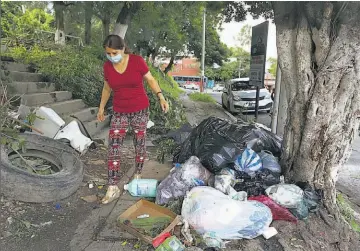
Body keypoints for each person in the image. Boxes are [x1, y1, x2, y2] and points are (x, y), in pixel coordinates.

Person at [98, 35, 169, 204]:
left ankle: (137, 173)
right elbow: (107, 88)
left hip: (140, 109)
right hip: (119, 111)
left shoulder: (137, 61)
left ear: (122, 49)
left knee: (139, 142)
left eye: (114, 52)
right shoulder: (108, 67)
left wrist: (161, 97)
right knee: (114, 146)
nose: (111, 56)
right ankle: (112, 187)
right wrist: (101, 107)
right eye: (108, 53)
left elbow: (150, 79)